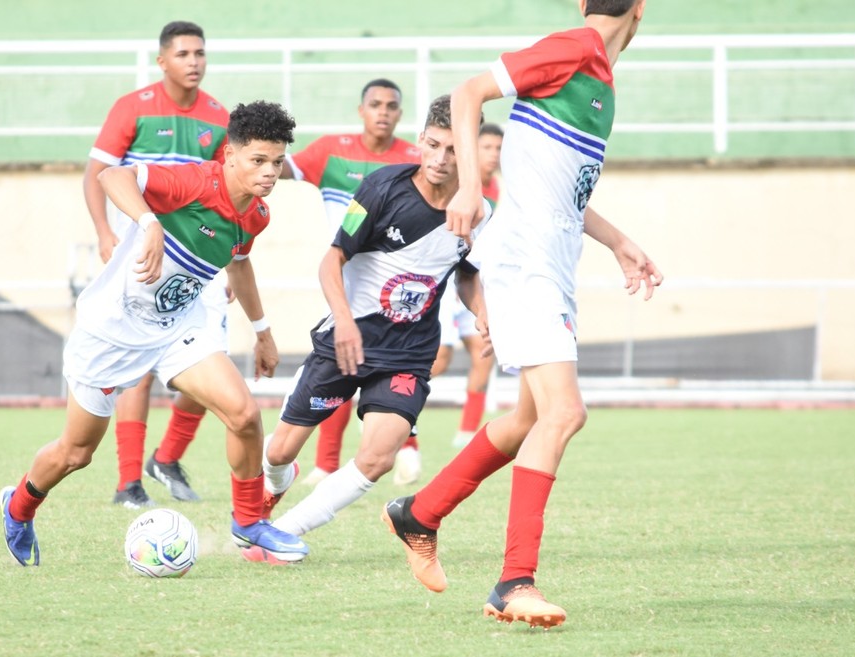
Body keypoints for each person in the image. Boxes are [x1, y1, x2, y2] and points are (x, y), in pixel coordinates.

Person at [382, 0, 661, 629]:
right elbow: (468, 92)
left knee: (532, 415)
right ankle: (514, 582)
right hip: (527, 261)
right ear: (640, 10)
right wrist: (471, 187)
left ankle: (419, 513)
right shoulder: (574, 48)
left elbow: (561, 191)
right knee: (566, 412)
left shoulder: (599, 79)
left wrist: (617, 240)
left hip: (548, 263)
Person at [0, 100, 309, 567]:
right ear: (230, 154)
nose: (269, 172)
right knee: (76, 453)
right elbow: (111, 176)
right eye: (258, 160)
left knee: (244, 415)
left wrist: (263, 330)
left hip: (176, 329)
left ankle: (248, 521)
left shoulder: (256, 216)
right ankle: (19, 506)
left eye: (277, 162)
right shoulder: (192, 182)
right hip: (112, 331)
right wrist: (149, 224)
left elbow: (239, 265)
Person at [243, 95, 492, 564]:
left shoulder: (478, 212)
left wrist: (483, 311)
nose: (440, 159)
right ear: (419, 141)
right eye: (433, 145)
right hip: (345, 343)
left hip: (408, 355)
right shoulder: (381, 188)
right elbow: (332, 259)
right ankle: (276, 488)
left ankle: (283, 535)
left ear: (471, 152)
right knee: (278, 453)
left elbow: (467, 271)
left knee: (378, 458)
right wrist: (342, 322)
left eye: (454, 149)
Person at [83, 20, 231, 509]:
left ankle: (166, 458)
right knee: (138, 368)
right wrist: (106, 233)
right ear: (162, 60)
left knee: (212, 360)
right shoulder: (134, 108)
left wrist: (227, 265)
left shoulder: (218, 117)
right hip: (141, 257)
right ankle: (129, 483)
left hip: (198, 262)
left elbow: (229, 197)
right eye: (184, 53)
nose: (194, 62)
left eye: (200, 53)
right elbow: (98, 174)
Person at [281, 79, 423, 487]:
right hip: (347, 287)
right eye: (375, 104)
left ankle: (404, 449)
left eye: (392, 105)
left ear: (400, 113)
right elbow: (281, 167)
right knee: (345, 366)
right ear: (361, 110)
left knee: (386, 369)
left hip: (403, 291)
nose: (383, 111)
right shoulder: (330, 151)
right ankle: (327, 463)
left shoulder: (414, 160)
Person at [431, 122, 503, 448]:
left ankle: (466, 433)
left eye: (498, 148)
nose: (493, 154)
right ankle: (382, 400)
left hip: (478, 284)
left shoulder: (504, 192)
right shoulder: (460, 187)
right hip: (448, 284)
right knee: (440, 361)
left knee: (485, 354)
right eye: (486, 147)